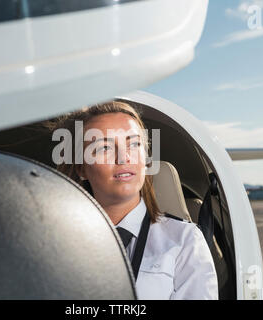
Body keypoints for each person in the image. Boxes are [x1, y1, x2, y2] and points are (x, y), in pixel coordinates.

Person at [52, 101, 218, 300]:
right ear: (81, 168)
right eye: (104, 147)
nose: (123, 158)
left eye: (134, 144)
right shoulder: (54, 243)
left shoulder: (184, 240)